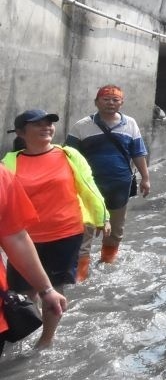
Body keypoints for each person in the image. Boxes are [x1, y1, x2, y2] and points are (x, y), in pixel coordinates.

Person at [3, 109, 107, 347]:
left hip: (65, 233)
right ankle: (25, 332)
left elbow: (88, 186)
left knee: (53, 288)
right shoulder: (9, 163)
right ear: (21, 132)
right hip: (22, 237)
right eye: (37, 124)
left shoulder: (69, 155)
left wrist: (103, 217)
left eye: (49, 124)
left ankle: (46, 340)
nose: (46, 127)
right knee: (23, 291)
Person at [66, 85, 149, 275]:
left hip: (120, 185)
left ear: (121, 103)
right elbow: (69, 157)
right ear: (96, 102)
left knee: (116, 230)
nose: (111, 103)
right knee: (85, 229)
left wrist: (145, 178)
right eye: (106, 99)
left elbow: (138, 153)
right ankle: (81, 275)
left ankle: (107, 264)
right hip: (88, 188)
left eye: (115, 100)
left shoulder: (131, 124)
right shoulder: (81, 125)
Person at [0, 166, 70, 356]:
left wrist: (46, 290)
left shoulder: (2, 177)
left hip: (61, 234)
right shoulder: (11, 164)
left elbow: (15, 237)